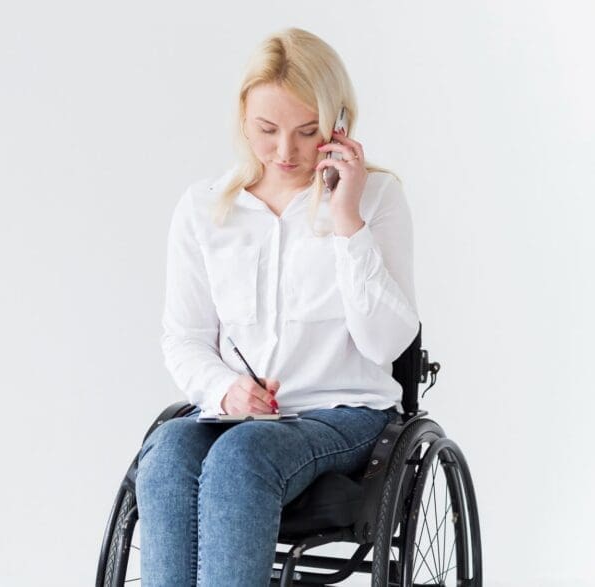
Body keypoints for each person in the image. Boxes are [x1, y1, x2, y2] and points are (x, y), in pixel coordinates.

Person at [135, 27, 420, 586]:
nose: (285, 152)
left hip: (347, 415)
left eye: (307, 131)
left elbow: (386, 343)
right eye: (267, 130)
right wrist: (224, 388)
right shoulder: (203, 210)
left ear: (339, 125)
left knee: (242, 458)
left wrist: (346, 219)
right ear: (243, 116)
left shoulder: (378, 200)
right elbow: (184, 337)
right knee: (167, 451)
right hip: (239, 417)